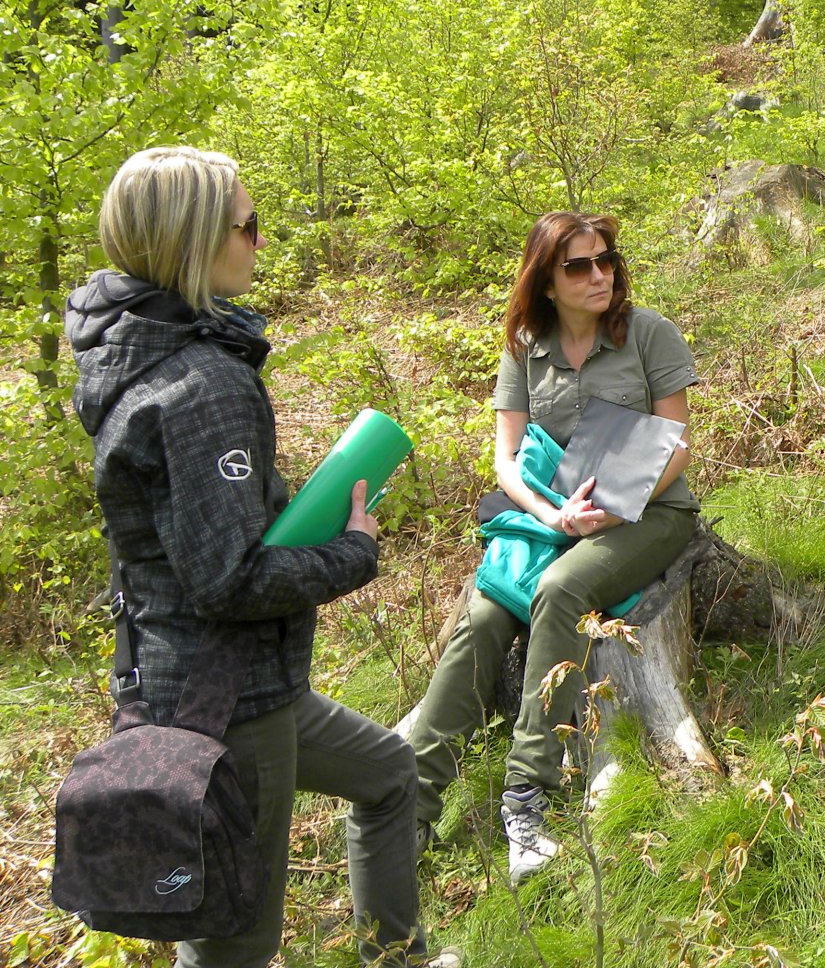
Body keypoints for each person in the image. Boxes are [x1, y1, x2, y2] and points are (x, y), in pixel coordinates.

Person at [66, 146, 456, 968]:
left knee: (389, 772)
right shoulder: (202, 384)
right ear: (193, 238)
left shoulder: (132, 349)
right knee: (234, 942)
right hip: (228, 701)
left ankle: (397, 957)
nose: (260, 241)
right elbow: (230, 579)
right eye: (248, 225)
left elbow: (192, 540)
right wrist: (352, 550)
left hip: (208, 679)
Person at [407, 212, 699, 883]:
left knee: (561, 589)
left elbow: (678, 446)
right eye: (578, 266)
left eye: (606, 260)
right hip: (555, 514)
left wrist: (610, 512)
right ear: (545, 281)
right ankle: (409, 807)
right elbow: (506, 459)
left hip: (650, 512)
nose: (599, 275)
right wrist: (551, 515)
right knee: (484, 615)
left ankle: (525, 800)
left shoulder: (647, 332)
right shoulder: (525, 348)